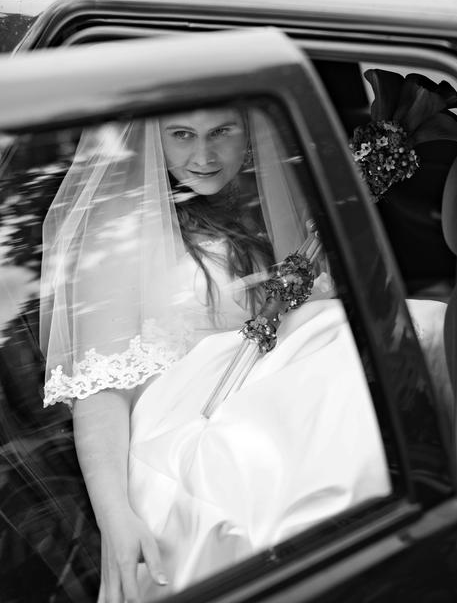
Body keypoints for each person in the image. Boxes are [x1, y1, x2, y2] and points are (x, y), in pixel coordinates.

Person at [40, 101, 392, 602]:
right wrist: (114, 515)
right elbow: (101, 389)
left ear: (247, 130)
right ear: (152, 137)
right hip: (183, 440)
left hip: (268, 402)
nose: (204, 155)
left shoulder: (265, 203)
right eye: (182, 134)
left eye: (221, 131)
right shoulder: (117, 229)